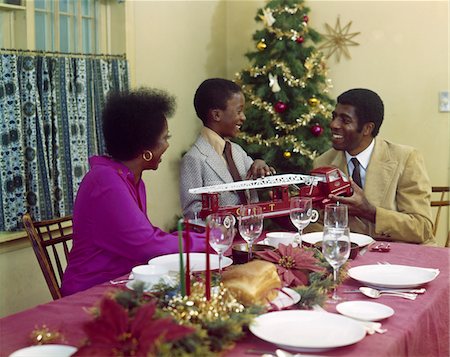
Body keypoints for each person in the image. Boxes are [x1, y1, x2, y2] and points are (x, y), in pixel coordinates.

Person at [61, 88, 205, 296]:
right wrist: (207, 240)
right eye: (165, 138)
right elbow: (146, 244)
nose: (167, 145)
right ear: (146, 151)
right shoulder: (106, 181)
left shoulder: (128, 178)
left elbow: (144, 237)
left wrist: (192, 237)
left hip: (123, 282)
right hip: (91, 292)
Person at [313, 88, 434, 244]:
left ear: (367, 128)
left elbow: (422, 228)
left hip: (400, 256)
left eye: (345, 120)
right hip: (347, 257)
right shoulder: (323, 163)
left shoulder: (406, 158)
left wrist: (371, 212)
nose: (333, 124)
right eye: (334, 117)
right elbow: (316, 222)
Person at [179, 78, 276, 219]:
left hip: (250, 232)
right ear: (216, 115)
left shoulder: (237, 151)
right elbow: (192, 212)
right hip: (221, 238)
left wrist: (260, 165)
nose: (243, 117)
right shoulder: (193, 159)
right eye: (239, 111)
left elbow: (259, 178)